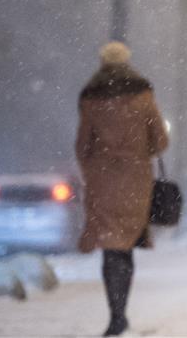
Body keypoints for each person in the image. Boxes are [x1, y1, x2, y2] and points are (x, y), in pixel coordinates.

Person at [75, 41, 169, 337]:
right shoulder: (143, 94)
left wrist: (95, 164)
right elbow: (161, 140)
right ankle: (121, 314)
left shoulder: (91, 97)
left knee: (109, 246)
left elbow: (82, 145)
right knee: (125, 246)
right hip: (136, 180)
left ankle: (115, 314)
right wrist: (141, 151)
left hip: (103, 181)